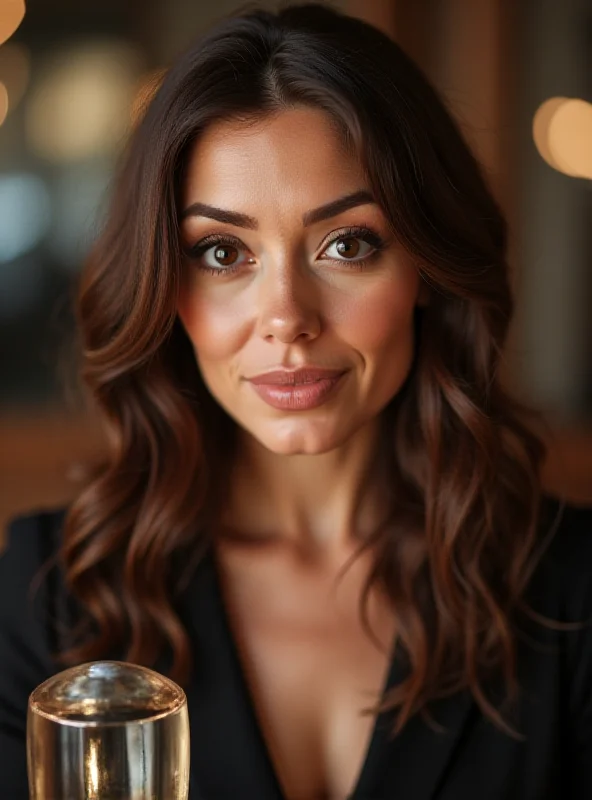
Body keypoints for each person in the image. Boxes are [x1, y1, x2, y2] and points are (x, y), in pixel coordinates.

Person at [1, 3, 591, 798]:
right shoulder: (49, 596)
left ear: (426, 267)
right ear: (163, 288)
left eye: (348, 244)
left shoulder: (573, 592)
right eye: (222, 252)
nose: (286, 317)